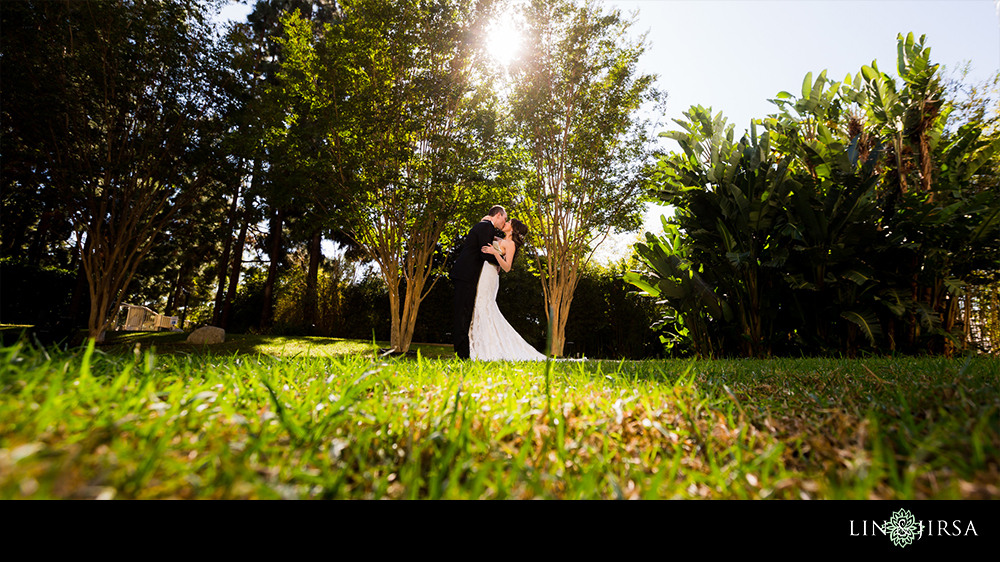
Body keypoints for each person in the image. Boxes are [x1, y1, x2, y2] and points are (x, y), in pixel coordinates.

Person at [469, 218, 546, 361]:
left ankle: (488, 346)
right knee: (479, 305)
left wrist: (494, 252)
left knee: (484, 305)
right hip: (484, 271)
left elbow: (507, 267)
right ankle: (479, 343)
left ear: (513, 229)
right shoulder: (499, 238)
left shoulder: (510, 244)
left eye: (509, 222)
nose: (506, 223)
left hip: (490, 275)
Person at [452, 206, 506, 359]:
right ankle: (462, 355)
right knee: (463, 314)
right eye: (504, 218)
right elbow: (485, 252)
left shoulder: (483, 226)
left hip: (464, 274)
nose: (504, 222)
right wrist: (499, 262)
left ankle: (463, 352)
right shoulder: (486, 227)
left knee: (463, 313)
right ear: (498, 215)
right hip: (466, 275)